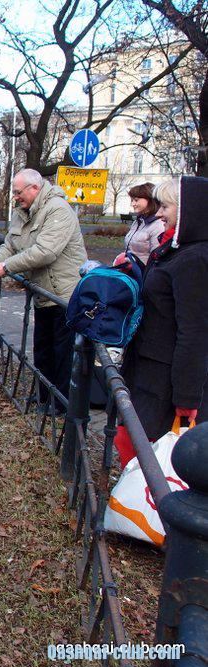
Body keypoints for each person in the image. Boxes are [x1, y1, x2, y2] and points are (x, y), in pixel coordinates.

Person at [113, 176, 208, 468]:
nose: (160, 213)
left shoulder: (195, 260)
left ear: (189, 210)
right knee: (130, 442)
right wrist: (134, 270)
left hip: (165, 385)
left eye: (166, 206)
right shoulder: (175, 250)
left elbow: (194, 332)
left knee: (149, 457)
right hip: (149, 372)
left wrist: (186, 400)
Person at [0, 168, 87, 405]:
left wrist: (5, 267)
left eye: (19, 192)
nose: (15, 197)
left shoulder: (58, 210)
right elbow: (10, 244)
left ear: (35, 188)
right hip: (43, 292)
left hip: (65, 294)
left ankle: (60, 405)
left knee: (62, 352)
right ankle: (43, 397)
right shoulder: (22, 212)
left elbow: (45, 252)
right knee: (42, 348)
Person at [122, 183, 163, 265]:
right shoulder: (138, 222)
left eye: (136, 200)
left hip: (145, 271)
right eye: (132, 200)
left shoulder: (159, 225)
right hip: (132, 269)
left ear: (150, 199)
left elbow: (157, 258)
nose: (132, 204)